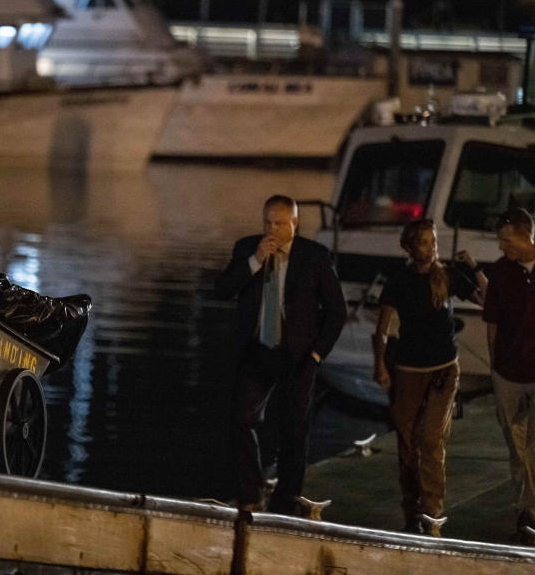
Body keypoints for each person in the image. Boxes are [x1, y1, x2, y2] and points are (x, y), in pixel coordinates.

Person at [214, 195, 347, 514]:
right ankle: (250, 491)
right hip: (257, 350)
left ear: (294, 224)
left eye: (279, 224)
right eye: (266, 223)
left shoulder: (314, 256)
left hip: (298, 355)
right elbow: (222, 290)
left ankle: (287, 499)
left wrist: (316, 356)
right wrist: (255, 261)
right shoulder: (247, 248)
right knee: (242, 418)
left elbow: (336, 312)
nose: (271, 230)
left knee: (294, 431)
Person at [372, 219, 486, 536]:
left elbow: (486, 301)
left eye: (433, 241)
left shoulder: (447, 276)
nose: (431, 246)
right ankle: (412, 512)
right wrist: (379, 365)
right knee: (408, 447)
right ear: (410, 246)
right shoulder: (399, 280)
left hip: (444, 370)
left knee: (432, 440)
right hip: (408, 372)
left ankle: (432, 515)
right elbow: (381, 329)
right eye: (424, 241)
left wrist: (475, 268)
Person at [482, 207, 535, 544]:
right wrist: (493, 366)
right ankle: (526, 511)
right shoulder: (501, 271)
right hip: (507, 372)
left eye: (507, 239)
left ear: (527, 234)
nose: (502, 247)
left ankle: (530, 512)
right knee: (516, 448)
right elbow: (492, 324)